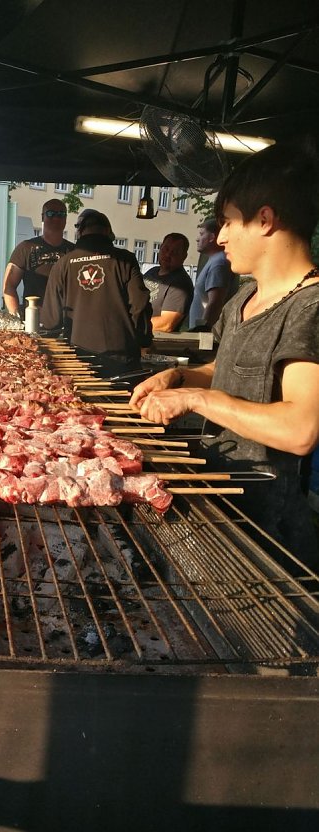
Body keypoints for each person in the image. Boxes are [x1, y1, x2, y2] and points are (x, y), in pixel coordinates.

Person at [130, 142, 319, 570]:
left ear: (265, 220)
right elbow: (224, 369)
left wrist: (199, 399)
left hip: (269, 533)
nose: (220, 237)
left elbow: (301, 428)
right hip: (219, 503)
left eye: (229, 222)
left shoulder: (310, 308)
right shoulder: (242, 300)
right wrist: (179, 379)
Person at [41, 210, 152, 377]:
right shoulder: (125, 260)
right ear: (108, 232)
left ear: (80, 232)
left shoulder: (62, 264)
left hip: (78, 359)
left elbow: (51, 321)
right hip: (122, 357)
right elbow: (139, 305)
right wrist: (144, 340)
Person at [3, 198, 74, 315]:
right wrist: (16, 316)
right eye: (51, 213)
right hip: (33, 319)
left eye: (61, 214)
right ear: (42, 217)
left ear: (66, 218)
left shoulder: (74, 251)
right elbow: (9, 286)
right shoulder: (26, 248)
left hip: (67, 320)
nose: (56, 218)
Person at [188, 217, 233, 330]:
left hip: (206, 335)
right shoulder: (215, 260)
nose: (197, 239)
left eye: (201, 234)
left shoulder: (219, 263)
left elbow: (215, 302)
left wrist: (203, 329)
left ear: (212, 237)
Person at [143, 233, 194, 332]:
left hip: (154, 339)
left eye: (175, 252)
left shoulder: (181, 283)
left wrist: (129, 324)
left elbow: (166, 324)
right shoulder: (152, 272)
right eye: (165, 249)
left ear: (184, 256)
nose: (168, 255)